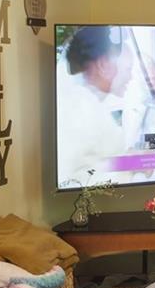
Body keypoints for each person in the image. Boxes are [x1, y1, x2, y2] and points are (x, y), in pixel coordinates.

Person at [57, 25, 134, 186]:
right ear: (103, 65)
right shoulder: (77, 107)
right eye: (127, 69)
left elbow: (101, 162)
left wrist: (133, 161)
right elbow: (73, 178)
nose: (130, 77)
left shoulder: (91, 102)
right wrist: (133, 165)